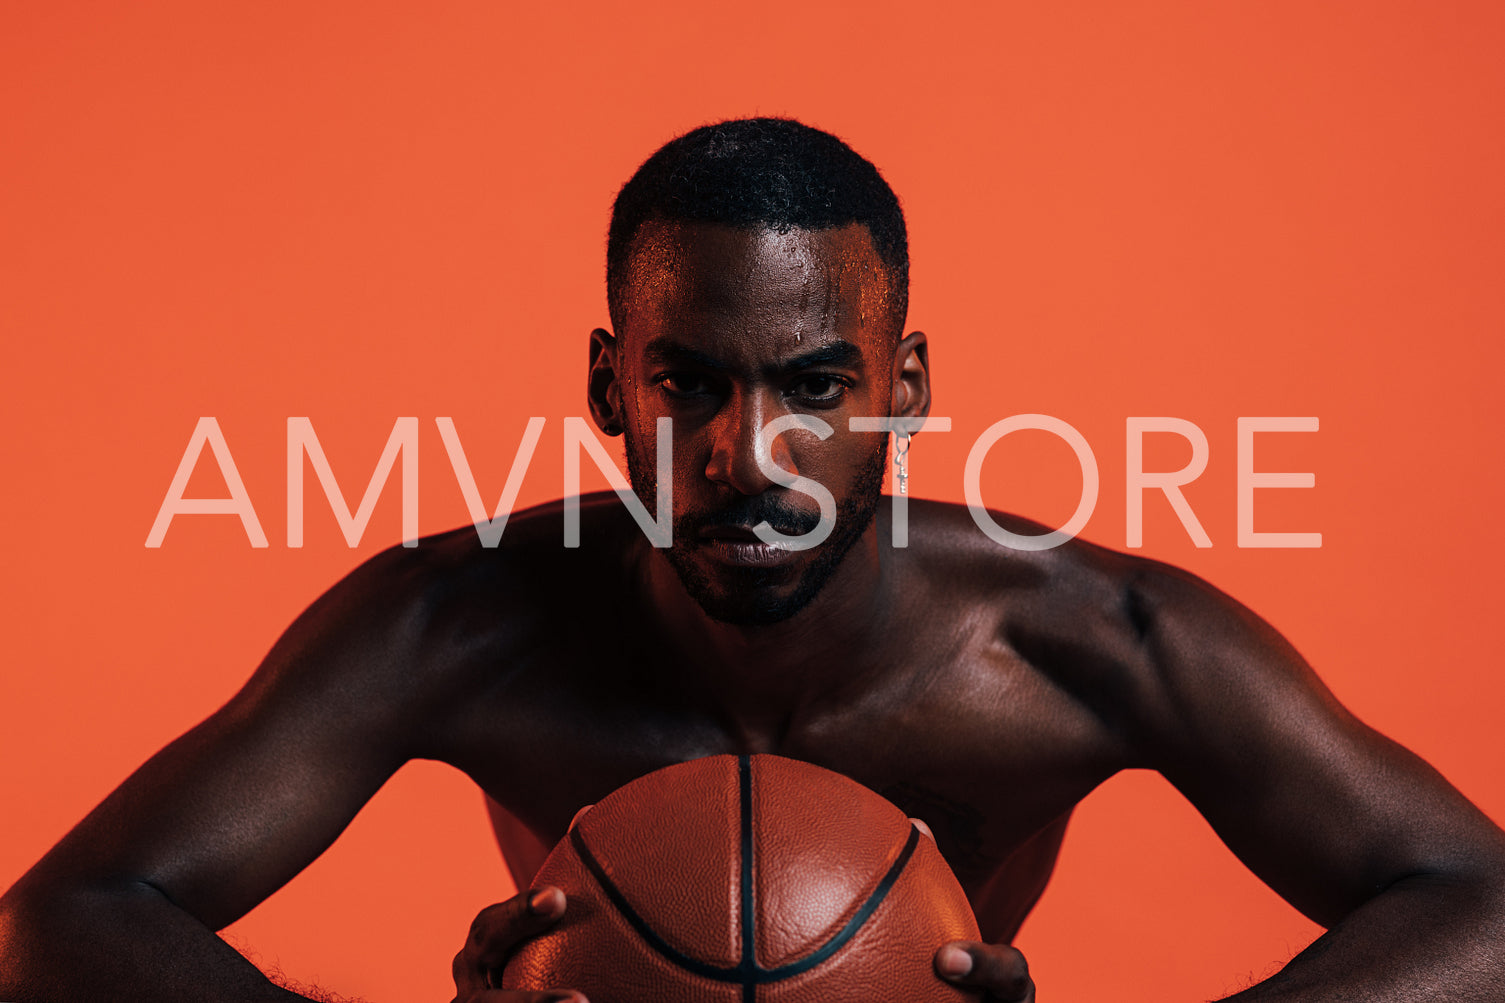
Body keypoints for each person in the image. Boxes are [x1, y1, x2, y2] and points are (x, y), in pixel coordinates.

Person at [2, 117, 1502, 1003]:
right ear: (610, 389)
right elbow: (60, 924)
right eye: (689, 383)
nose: (744, 452)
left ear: (905, 389)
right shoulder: (455, 624)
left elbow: (1477, 904)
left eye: (814, 385)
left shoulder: (1084, 639)